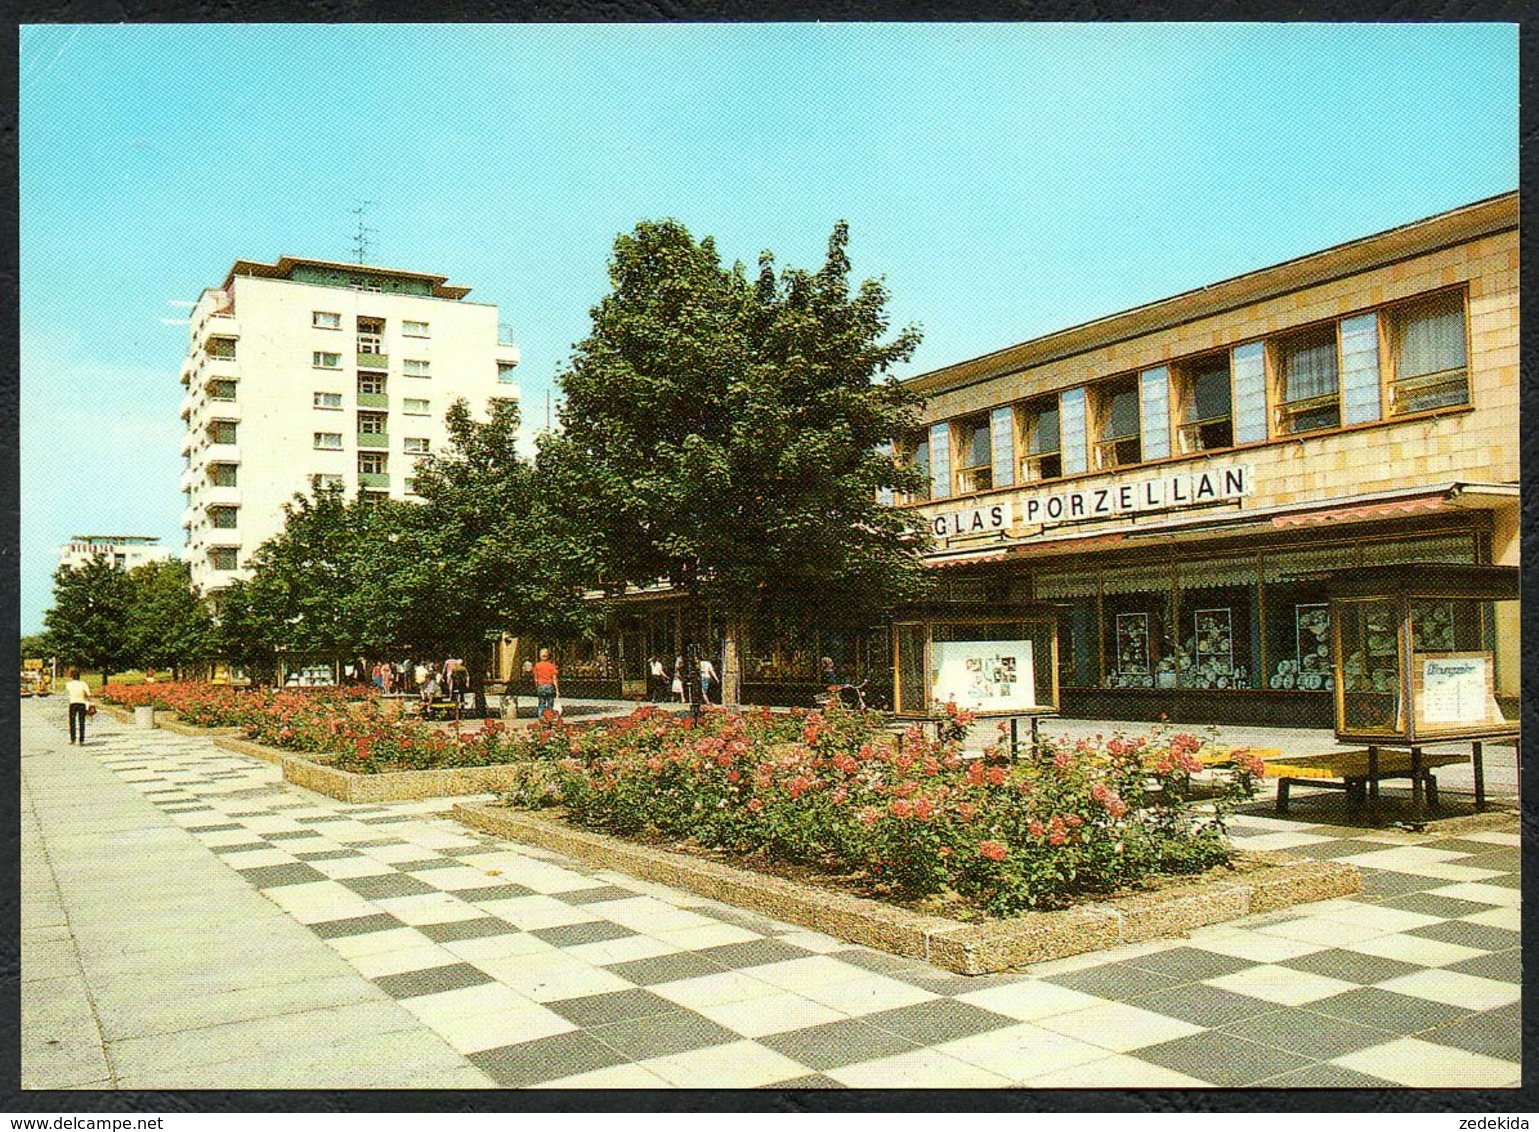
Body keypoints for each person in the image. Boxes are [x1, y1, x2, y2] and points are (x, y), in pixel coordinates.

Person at [65, 667, 91, 745]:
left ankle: (73, 739)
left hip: (73, 703)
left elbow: (69, 691)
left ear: (72, 676)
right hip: (82, 703)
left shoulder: (68, 684)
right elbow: (88, 694)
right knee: (81, 722)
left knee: (72, 722)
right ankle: (81, 740)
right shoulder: (83, 684)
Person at [532, 648, 560, 719]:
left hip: (541, 686)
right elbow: (554, 678)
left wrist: (537, 687)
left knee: (541, 703)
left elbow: (535, 679)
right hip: (550, 686)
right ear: (548, 656)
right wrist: (557, 690)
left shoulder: (537, 666)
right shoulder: (551, 666)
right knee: (550, 704)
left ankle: (541, 718)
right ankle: (549, 718)